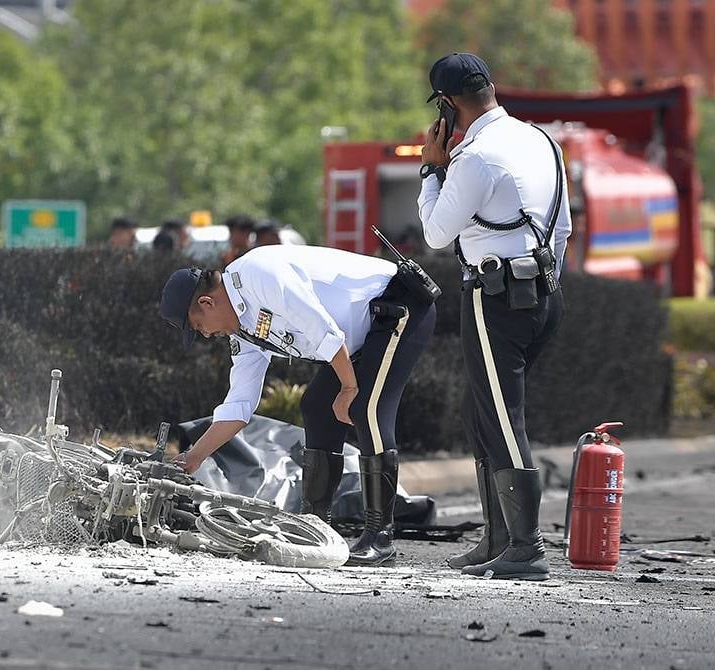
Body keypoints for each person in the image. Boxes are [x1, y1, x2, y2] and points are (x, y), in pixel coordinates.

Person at [160, 245, 436, 566]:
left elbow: (324, 332)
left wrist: (348, 387)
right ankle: (316, 525)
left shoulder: (259, 275)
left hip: (398, 307)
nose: (206, 335)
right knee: (317, 408)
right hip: (360, 337)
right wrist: (193, 458)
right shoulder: (242, 329)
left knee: (366, 409)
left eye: (198, 327)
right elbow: (240, 404)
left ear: (206, 303)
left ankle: (380, 537)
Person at [417, 53, 571, 581]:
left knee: (502, 417)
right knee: (481, 411)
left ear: (448, 106)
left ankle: (524, 548)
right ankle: (498, 539)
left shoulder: (474, 157)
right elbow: (564, 228)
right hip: (542, 293)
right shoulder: (541, 140)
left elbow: (437, 234)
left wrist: (431, 169)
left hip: (495, 295)